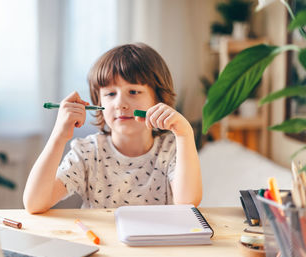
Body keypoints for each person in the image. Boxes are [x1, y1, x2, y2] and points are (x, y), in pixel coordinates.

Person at [23, 43, 202, 213]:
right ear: (98, 102)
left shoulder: (171, 149)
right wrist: (58, 136)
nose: (120, 104)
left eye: (133, 92)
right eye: (110, 94)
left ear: (158, 99)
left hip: (156, 245)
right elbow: (34, 203)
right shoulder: (88, 152)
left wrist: (185, 134)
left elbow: (188, 203)